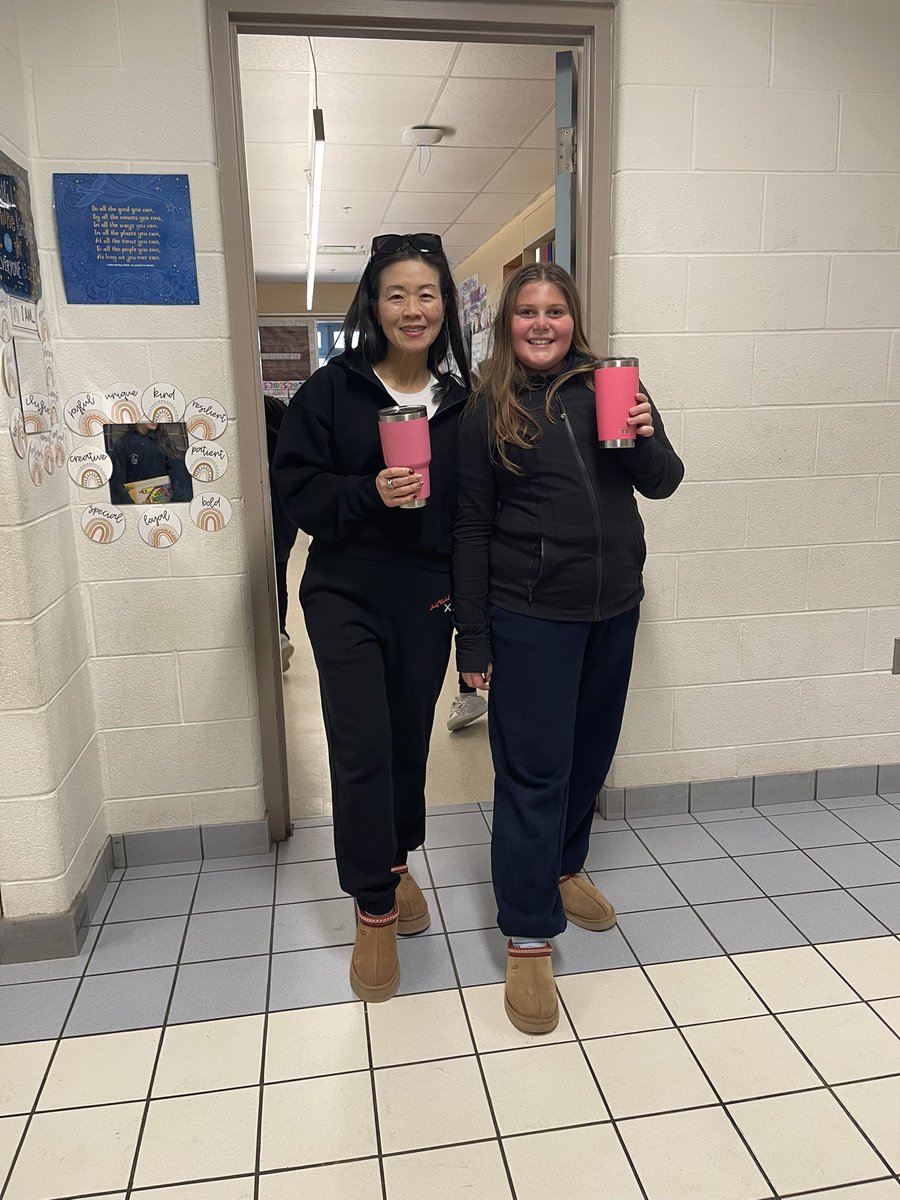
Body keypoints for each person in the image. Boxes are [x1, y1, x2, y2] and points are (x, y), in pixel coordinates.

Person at [453, 263, 684, 1033]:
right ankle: (527, 936)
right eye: (527, 311)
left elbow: (664, 482)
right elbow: (470, 530)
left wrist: (645, 437)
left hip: (613, 608)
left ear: (573, 319)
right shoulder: (485, 408)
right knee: (533, 773)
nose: (542, 323)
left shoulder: (609, 387)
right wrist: (473, 638)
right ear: (507, 324)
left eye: (555, 310)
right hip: (530, 617)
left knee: (589, 757)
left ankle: (562, 867)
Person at [273, 232, 470, 1003]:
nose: (412, 309)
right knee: (361, 746)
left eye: (426, 294)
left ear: (444, 305)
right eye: (396, 294)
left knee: (407, 741)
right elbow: (296, 488)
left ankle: (395, 858)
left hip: (425, 592)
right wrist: (368, 492)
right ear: (373, 306)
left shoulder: (460, 402)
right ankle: (374, 908)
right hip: (345, 590)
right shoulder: (333, 390)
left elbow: (474, 512)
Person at [263, 394, 299, 671]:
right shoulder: (276, 410)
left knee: (272, 574)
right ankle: (279, 633)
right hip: (283, 514)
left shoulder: (265, 410)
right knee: (278, 576)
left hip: (275, 513)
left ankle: (276, 635)